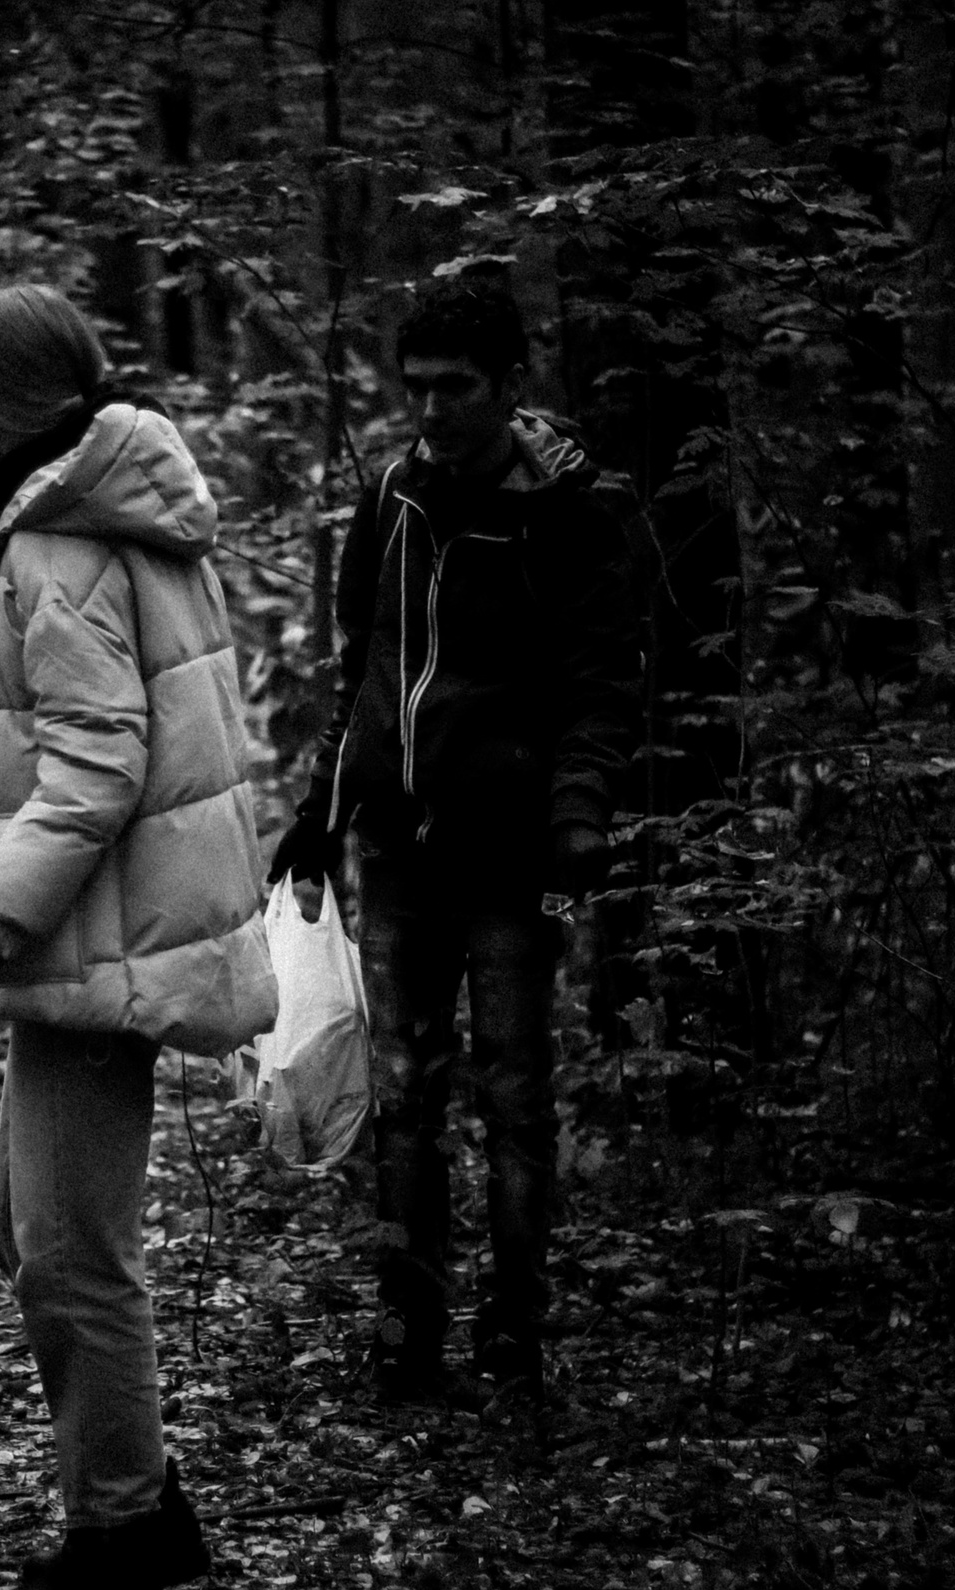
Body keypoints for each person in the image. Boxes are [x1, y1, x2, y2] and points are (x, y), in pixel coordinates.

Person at [0, 282, 277, 1590]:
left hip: (84, 940)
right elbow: (95, 738)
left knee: (69, 1253)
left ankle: (116, 1534)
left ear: (3, 392)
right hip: (102, 926)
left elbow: (99, 767)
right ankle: (148, 1505)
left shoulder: (58, 538)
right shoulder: (108, 511)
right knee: (31, 1232)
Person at [270, 278, 641, 1407]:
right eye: (416, 387)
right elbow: (364, 665)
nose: (432, 410)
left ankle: (515, 1336)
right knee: (402, 1096)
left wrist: (578, 813)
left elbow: (599, 683)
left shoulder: (575, 509)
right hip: (398, 848)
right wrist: (317, 808)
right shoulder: (390, 492)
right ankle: (408, 1335)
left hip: (514, 856)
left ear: (510, 384)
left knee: (516, 1097)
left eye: (456, 388)